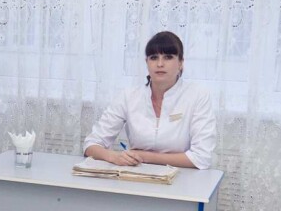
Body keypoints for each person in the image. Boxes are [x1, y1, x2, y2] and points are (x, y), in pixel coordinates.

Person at [83, 31, 216, 169]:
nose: (160, 64)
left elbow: (202, 158)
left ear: (181, 63)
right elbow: (90, 144)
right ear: (147, 63)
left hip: (183, 178)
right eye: (153, 58)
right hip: (136, 175)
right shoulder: (129, 96)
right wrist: (115, 157)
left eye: (168, 57)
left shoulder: (198, 95)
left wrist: (144, 156)